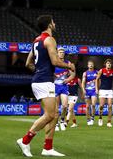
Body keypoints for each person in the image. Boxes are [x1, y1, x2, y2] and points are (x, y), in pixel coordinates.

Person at [16, 15, 75, 157]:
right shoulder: (50, 39)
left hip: (41, 79)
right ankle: (25, 140)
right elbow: (55, 61)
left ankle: (48, 147)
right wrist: (69, 66)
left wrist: (42, 71)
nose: (54, 23)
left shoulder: (36, 41)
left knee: (54, 115)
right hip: (44, 81)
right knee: (50, 115)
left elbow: (28, 63)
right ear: (49, 25)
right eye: (53, 22)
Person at [94, 59, 113, 127]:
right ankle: (100, 117)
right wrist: (96, 89)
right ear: (105, 64)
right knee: (101, 106)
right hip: (102, 90)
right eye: (107, 63)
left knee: (110, 106)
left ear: (111, 65)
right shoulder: (101, 70)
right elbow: (97, 79)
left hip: (109, 90)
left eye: (110, 63)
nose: (109, 64)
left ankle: (109, 122)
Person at [53, 48, 75, 132]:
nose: (61, 54)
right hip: (55, 86)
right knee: (56, 107)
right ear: (57, 53)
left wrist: (68, 79)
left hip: (64, 86)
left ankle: (62, 121)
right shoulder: (54, 63)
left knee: (65, 106)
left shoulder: (67, 63)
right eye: (60, 52)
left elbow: (73, 74)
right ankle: (56, 124)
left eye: (63, 52)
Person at [81, 60, 98, 125]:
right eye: (89, 64)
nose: (90, 65)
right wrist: (83, 90)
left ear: (93, 65)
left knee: (93, 105)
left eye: (92, 64)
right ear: (87, 65)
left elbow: (99, 81)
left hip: (93, 90)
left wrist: (97, 89)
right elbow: (83, 83)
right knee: (87, 106)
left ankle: (92, 118)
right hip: (87, 90)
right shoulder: (85, 73)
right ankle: (88, 119)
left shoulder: (96, 72)